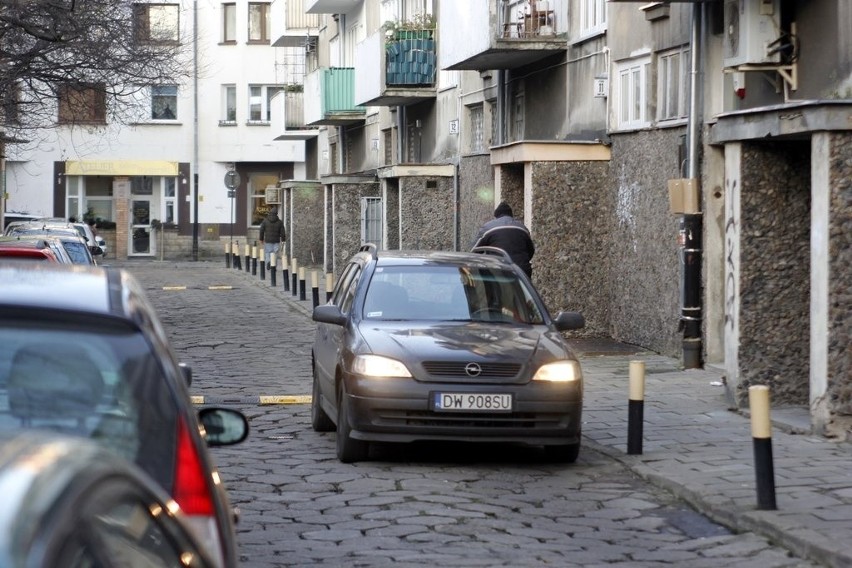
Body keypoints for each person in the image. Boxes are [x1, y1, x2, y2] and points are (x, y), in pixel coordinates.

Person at [471, 201, 535, 277]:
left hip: (498, 271)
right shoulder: (522, 228)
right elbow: (531, 250)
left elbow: (474, 250)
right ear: (511, 215)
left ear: (496, 216)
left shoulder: (488, 227)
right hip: (522, 271)